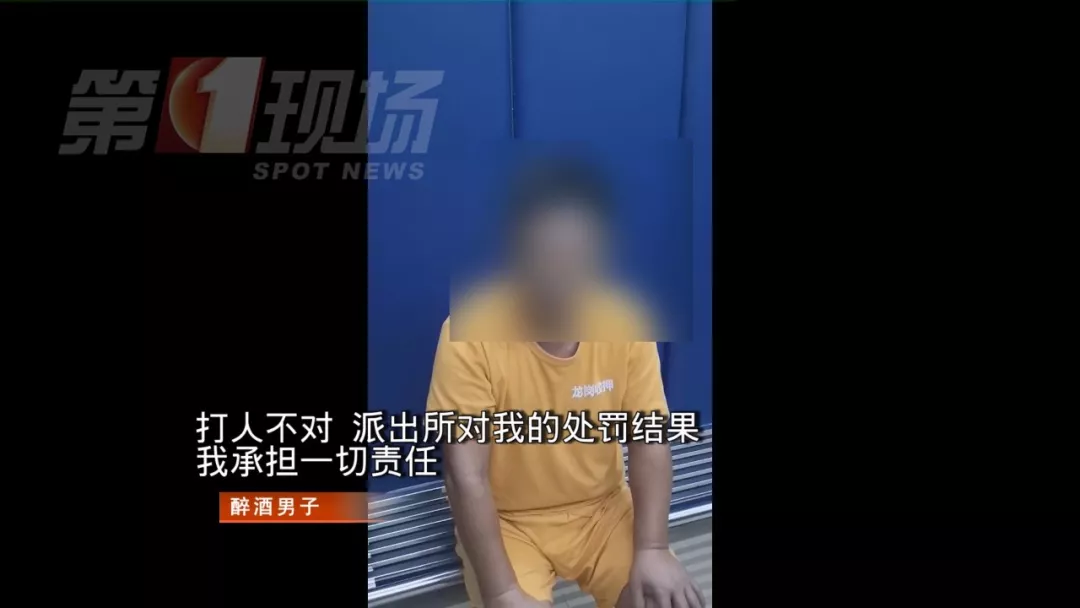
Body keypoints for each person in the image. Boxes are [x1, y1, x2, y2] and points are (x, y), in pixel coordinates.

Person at [426, 158, 705, 608]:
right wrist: (501, 592)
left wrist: (653, 547)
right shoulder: (469, 334)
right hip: (507, 520)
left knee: (660, 598)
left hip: (603, 509)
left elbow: (650, 440)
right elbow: (465, 475)